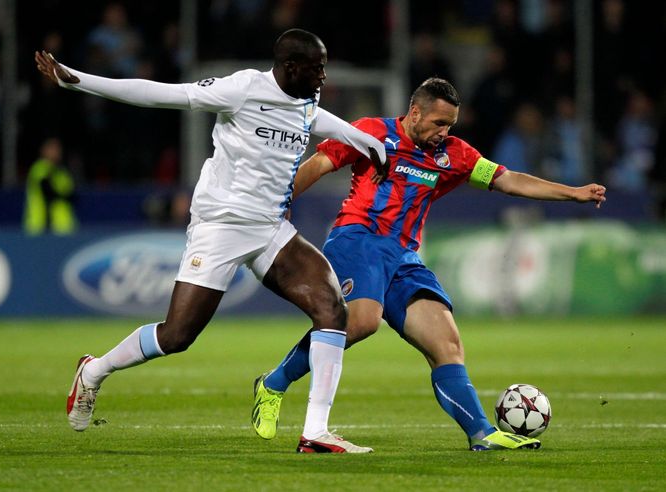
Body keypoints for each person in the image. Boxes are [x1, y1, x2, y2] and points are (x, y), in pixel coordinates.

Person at [35, 28, 389, 454]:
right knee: (178, 336)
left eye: (324, 67)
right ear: (290, 67)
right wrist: (81, 79)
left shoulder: (305, 100)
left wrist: (366, 141)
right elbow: (159, 93)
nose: (323, 76)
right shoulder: (241, 89)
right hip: (220, 225)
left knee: (332, 307)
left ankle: (315, 432)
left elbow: (318, 120)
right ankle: (94, 371)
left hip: (270, 227)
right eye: (317, 68)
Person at [252, 77, 607, 451]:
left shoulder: (454, 155)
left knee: (447, 343)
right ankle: (273, 383)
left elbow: (507, 180)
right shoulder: (372, 132)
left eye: (450, 124)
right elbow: (321, 163)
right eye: (439, 123)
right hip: (358, 239)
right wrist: (282, 202)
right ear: (415, 112)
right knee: (360, 322)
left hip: (404, 257)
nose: (444, 132)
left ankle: (482, 433)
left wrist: (572, 193)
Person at [23, 137, 78, 235]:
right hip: (40, 227)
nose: (56, 152)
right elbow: (48, 192)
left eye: (58, 149)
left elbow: (73, 196)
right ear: (43, 150)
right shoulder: (39, 169)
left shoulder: (63, 172)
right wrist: (64, 195)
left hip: (63, 228)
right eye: (52, 149)